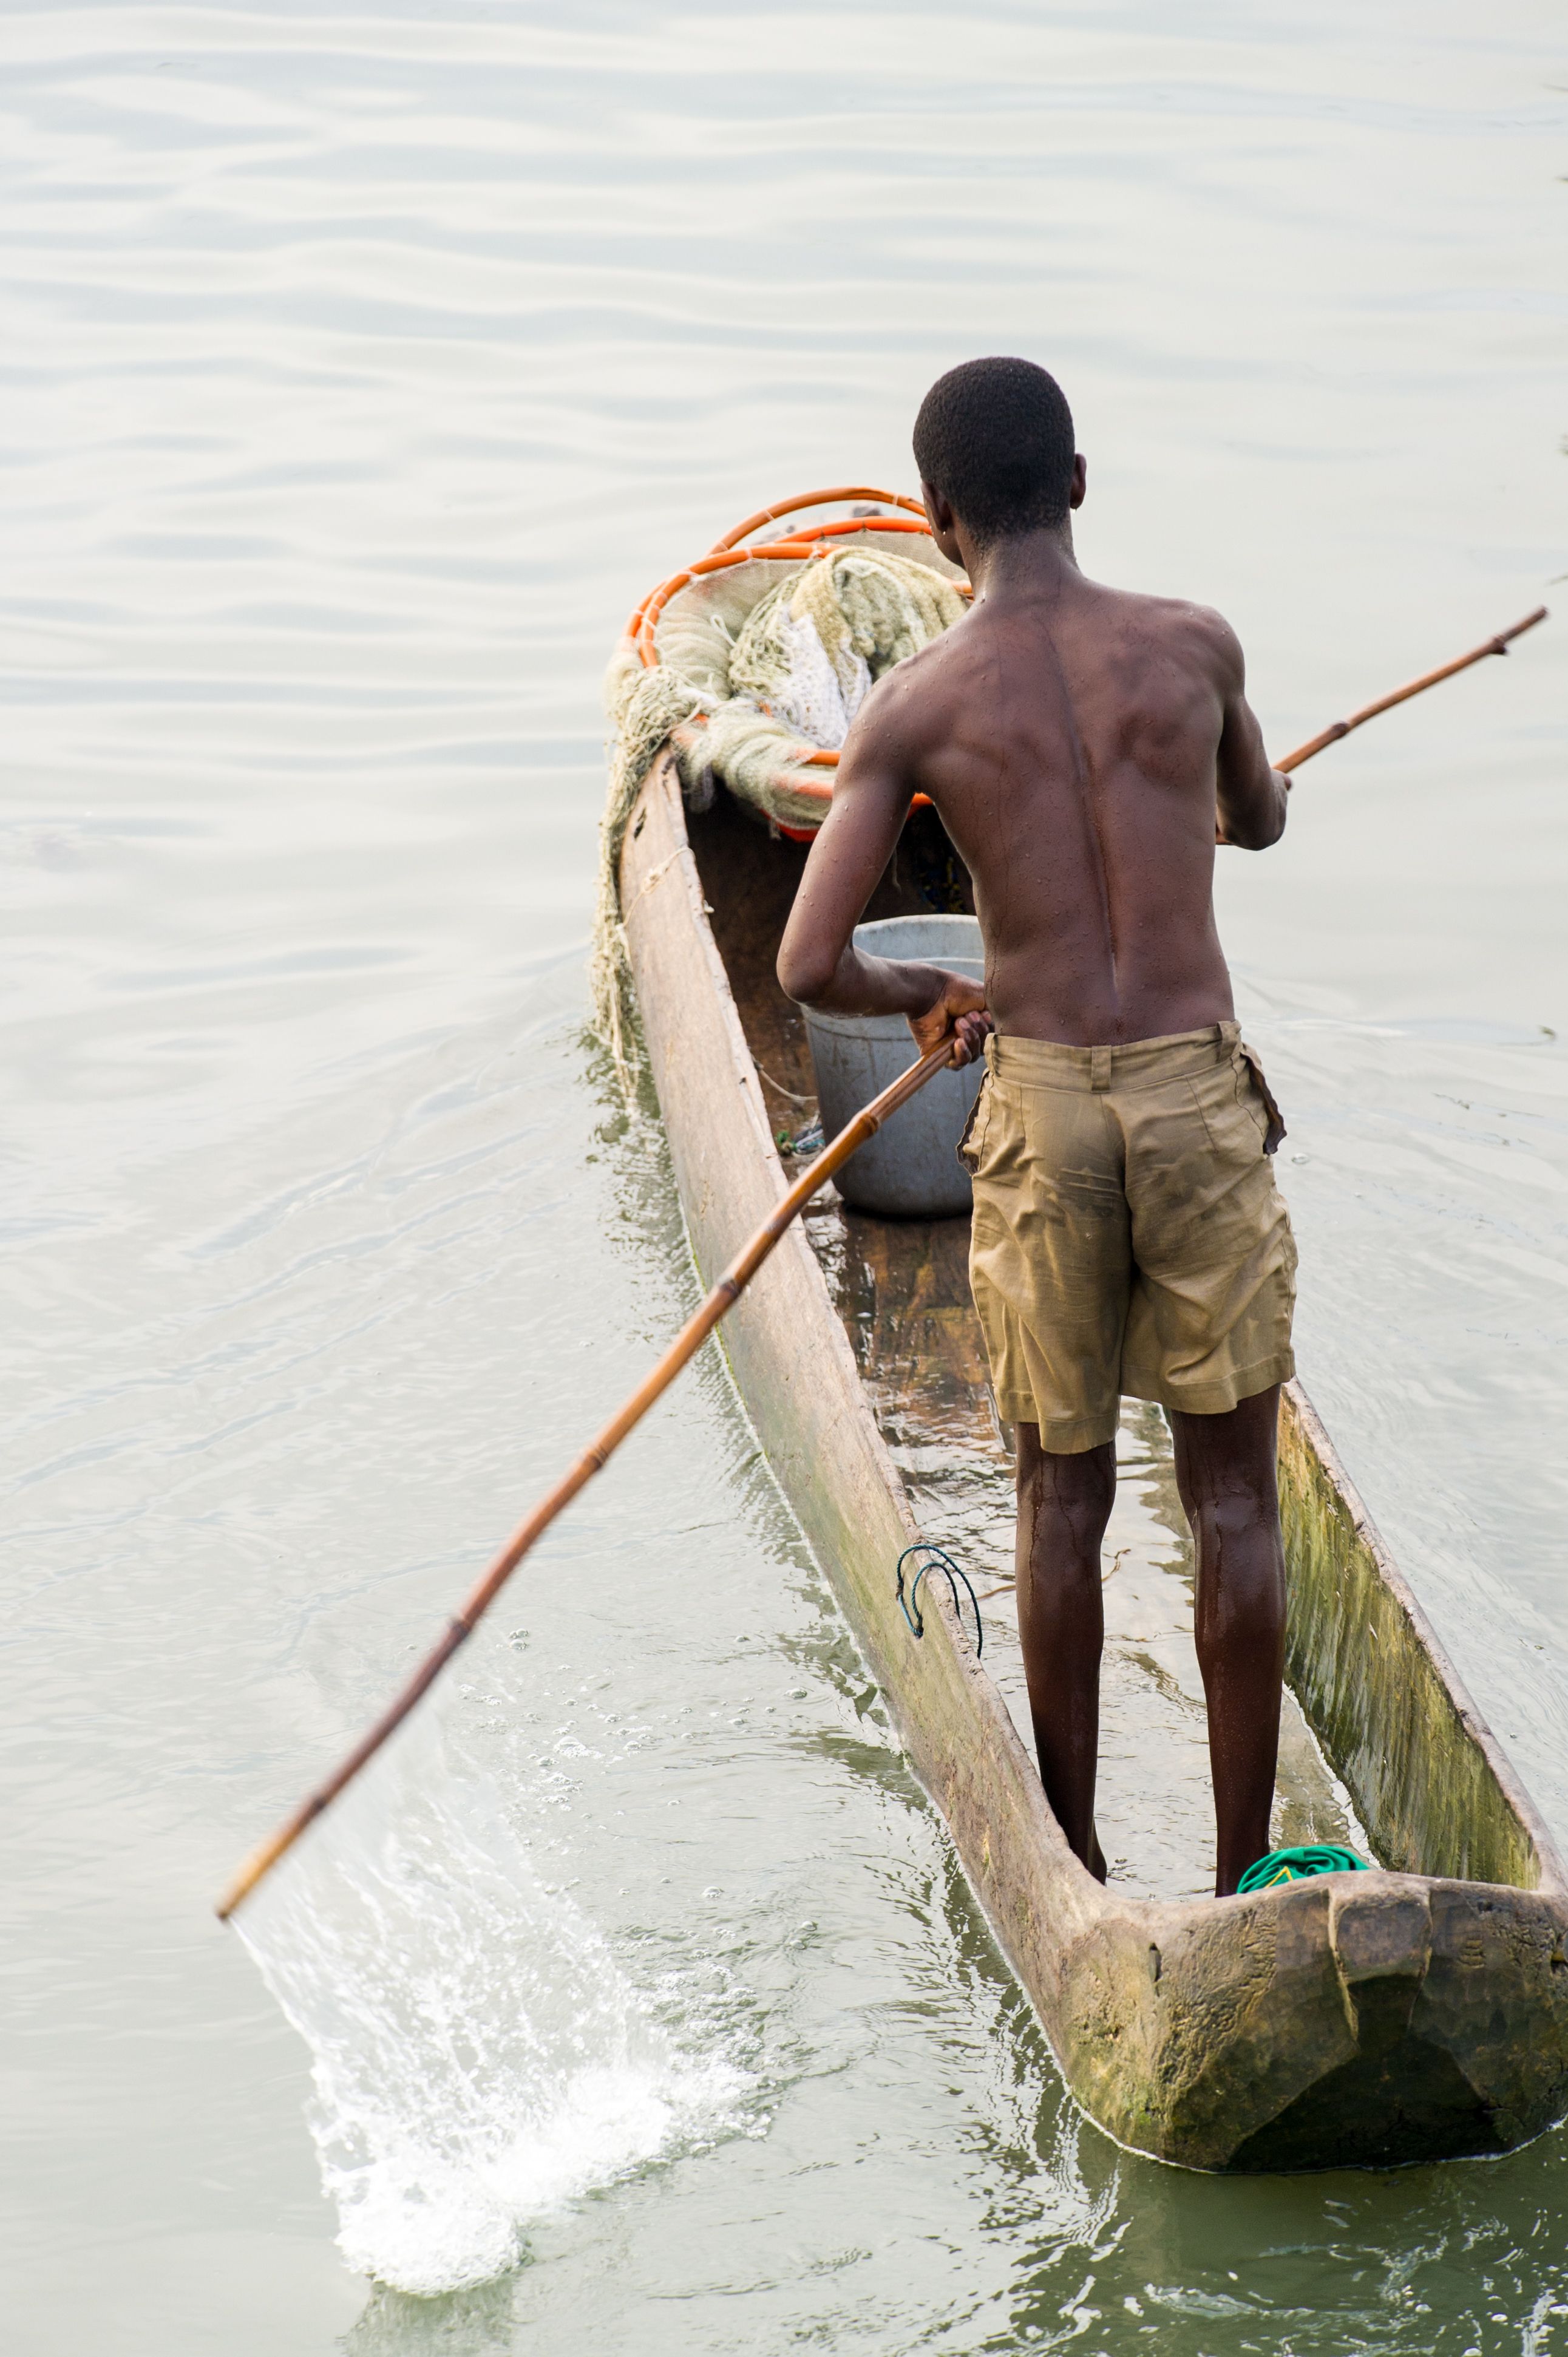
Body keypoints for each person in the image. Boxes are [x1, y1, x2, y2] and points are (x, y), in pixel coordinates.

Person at [776, 356, 1296, 1898]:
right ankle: (1243, 1878)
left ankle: (1069, 1873)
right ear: (1077, 482)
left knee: (1056, 1493)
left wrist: (930, 983)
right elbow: (1255, 819)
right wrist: (1199, 802)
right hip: (1199, 1098)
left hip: (1049, 1110)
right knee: (1233, 1501)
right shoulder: (1193, 646)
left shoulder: (915, 707)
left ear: (939, 524)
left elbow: (808, 963)